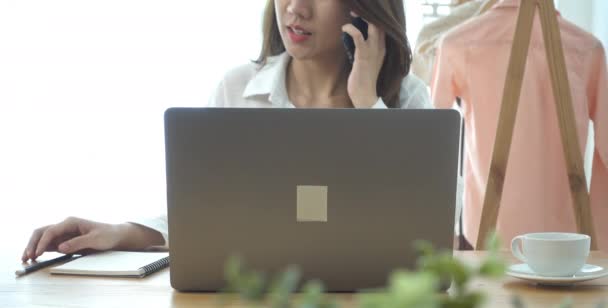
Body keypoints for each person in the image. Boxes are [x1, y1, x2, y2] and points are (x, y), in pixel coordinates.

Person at [22, 0, 432, 262]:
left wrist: (367, 102)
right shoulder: (236, 88)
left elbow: (434, 225)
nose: (295, 8)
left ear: (362, 9)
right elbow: (205, 215)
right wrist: (118, 232)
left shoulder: (406, 97)